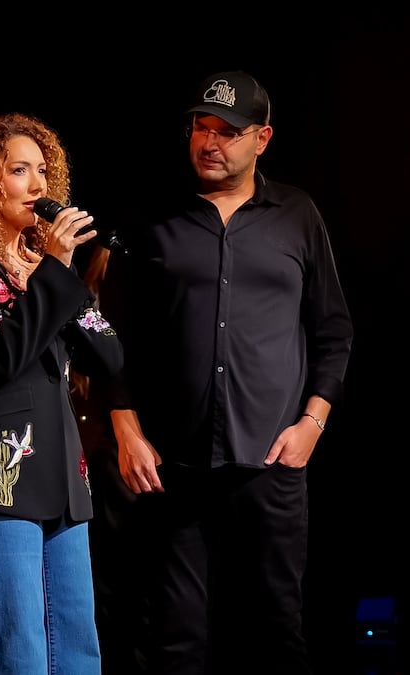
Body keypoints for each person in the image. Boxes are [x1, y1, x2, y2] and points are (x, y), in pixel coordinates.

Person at [101, 71, 354, 674]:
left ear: (262, 138)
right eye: (201, 128)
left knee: (275, 633)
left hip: (270, 463)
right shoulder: (153, 218)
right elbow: (109, 335)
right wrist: (126, 430)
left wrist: (313, 423)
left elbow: (333, 329)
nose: (209, 143)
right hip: (173, 467)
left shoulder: (296, 214)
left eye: (227, 132)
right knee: (173, 638)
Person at [0, 112, 123, 674]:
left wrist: (63, 280)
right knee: (18, 651)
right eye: (18, 170)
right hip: (1, 479)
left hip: (63, 481)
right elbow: (0, 356)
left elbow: (109, 357)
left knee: (78, 650)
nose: (38, 186)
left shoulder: (43, 266)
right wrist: (52, 273)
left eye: (42, 171)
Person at [71, 244, 148, 675]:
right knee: (109, 579)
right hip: (102, 450)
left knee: (129, 577)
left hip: (126, 449)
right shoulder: (86, 301)